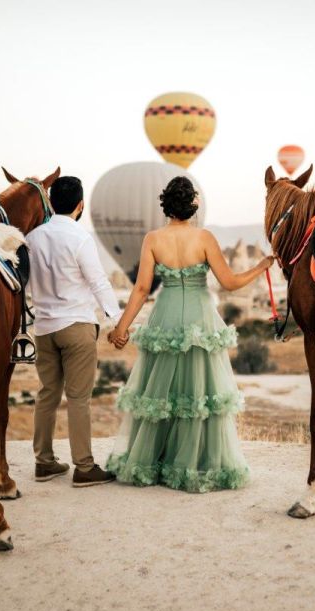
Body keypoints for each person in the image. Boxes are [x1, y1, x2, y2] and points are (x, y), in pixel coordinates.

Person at [105, 176, 274, 492]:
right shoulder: (205, 238)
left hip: (165, 313)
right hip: (199, 315)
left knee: (162, 393)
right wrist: (263, 265)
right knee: (199, 392)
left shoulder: (152, 239)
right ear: (193, 206)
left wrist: (121, 328)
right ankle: (193, 462)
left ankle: (155, 461)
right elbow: (230, 283)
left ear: (166, 206)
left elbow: (142, 289)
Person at [26, 176, 123, 487]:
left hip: (43, 328)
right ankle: (83, 467)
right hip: (76, 326)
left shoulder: (33, 238)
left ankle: (44, 462)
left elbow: (25, 283)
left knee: (47, 394)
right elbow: (98, 282)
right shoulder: (80, 238)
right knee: (78, 398)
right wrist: (117, 321)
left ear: (52, 203)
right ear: (81, 205)